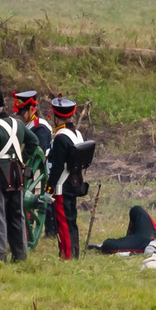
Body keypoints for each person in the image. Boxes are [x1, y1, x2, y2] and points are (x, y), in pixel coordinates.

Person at [0, 73, 35, 265]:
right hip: (16, 173)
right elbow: (33, 142)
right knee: (17, 215)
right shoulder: (17, 123)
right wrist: (22, 159)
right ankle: (20, 255)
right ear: (4, 107)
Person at [45, 98, 95, 260]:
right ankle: (73, 253)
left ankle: (67, 255)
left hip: (62, 185)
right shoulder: (76, 134)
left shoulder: (60, 137)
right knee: (71, 220)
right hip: (74, 182)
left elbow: (58, 167)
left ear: (56, 117)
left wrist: (49, 189)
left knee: (63, 222)